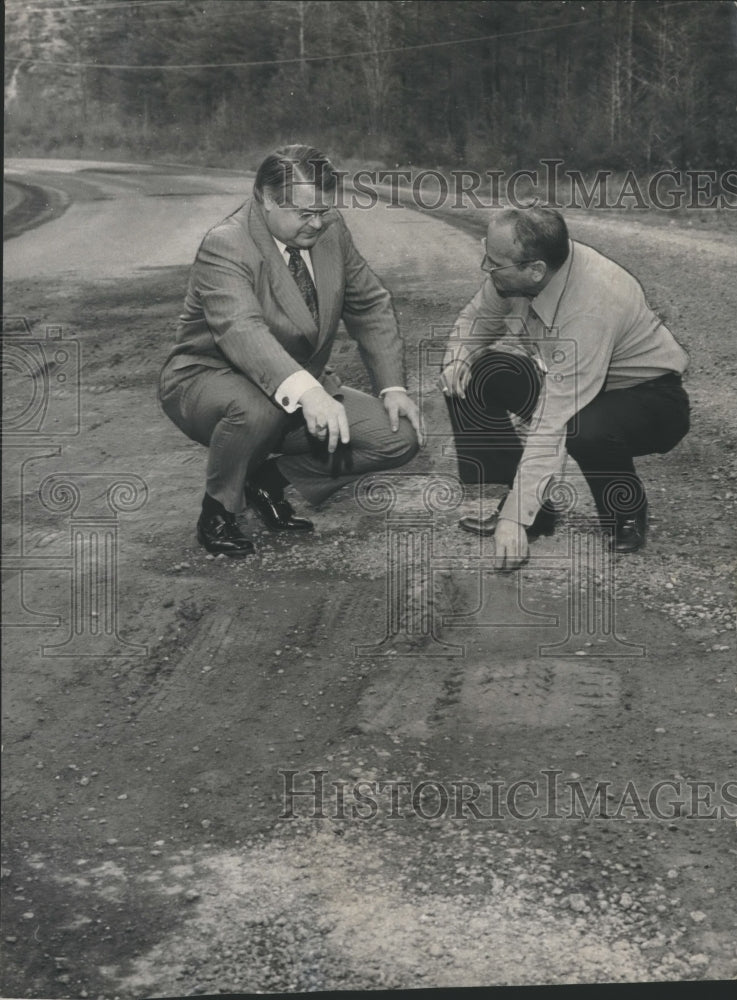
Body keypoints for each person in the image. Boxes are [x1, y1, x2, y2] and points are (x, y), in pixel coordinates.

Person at [159, 144, 422, 557]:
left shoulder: (331, 231)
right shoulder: (226, 244)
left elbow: (370, 304)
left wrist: (393, 388)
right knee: (257, 408)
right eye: (305, 214)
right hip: (209, 380)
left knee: (398, 438)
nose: (318, 224)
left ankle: (269, 480)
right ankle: (219, 510)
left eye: (324, 211)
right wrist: (310, 393)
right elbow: (242, 330)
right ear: (265, 198)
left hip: (296, 387)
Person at [439, 206, 690, 570]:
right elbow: (477, 319)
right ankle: (535, 509)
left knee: (581, 426)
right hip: (576, 380)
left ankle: (625, 510)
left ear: (535, 269)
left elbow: (553, 419)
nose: (485, 267)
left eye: (494, 262)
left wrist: (513, 520)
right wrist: (458, 358)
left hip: (650, 397)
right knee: (478, 374)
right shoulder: (516, 274)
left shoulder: (592, 303)